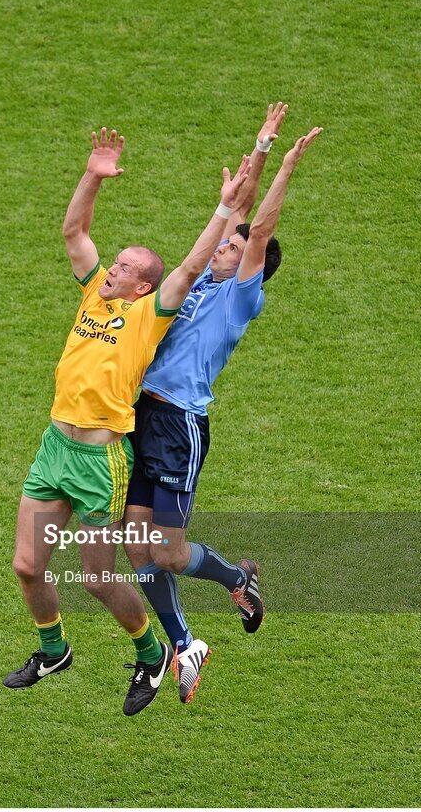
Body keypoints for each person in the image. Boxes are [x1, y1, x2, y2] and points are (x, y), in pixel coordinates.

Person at [4, 127, 251, 715]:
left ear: (144, 285)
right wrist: (93, 174)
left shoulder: (148, 316)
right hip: (54, 448)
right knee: (26, 566)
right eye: (112, 262)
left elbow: (192, 266)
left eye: (124, 267)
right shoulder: (94, 295)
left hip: (99, 461)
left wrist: (225, 207)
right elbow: (74, 232)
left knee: (95, 578)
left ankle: (152, 653)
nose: (111, 268)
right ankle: (53, 649)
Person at [123, 105, 323, 704]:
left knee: (170, 551)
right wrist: (259, 146)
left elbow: (256, 229)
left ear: (251, 269)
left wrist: (285, 163)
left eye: (231, 252)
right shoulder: (207, 281)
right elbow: (238, 210)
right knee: (138, 547)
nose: (222, 251)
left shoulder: (240, 299)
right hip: (143, 416)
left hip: (180, 426)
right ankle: (186, 643)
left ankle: (237, 580)